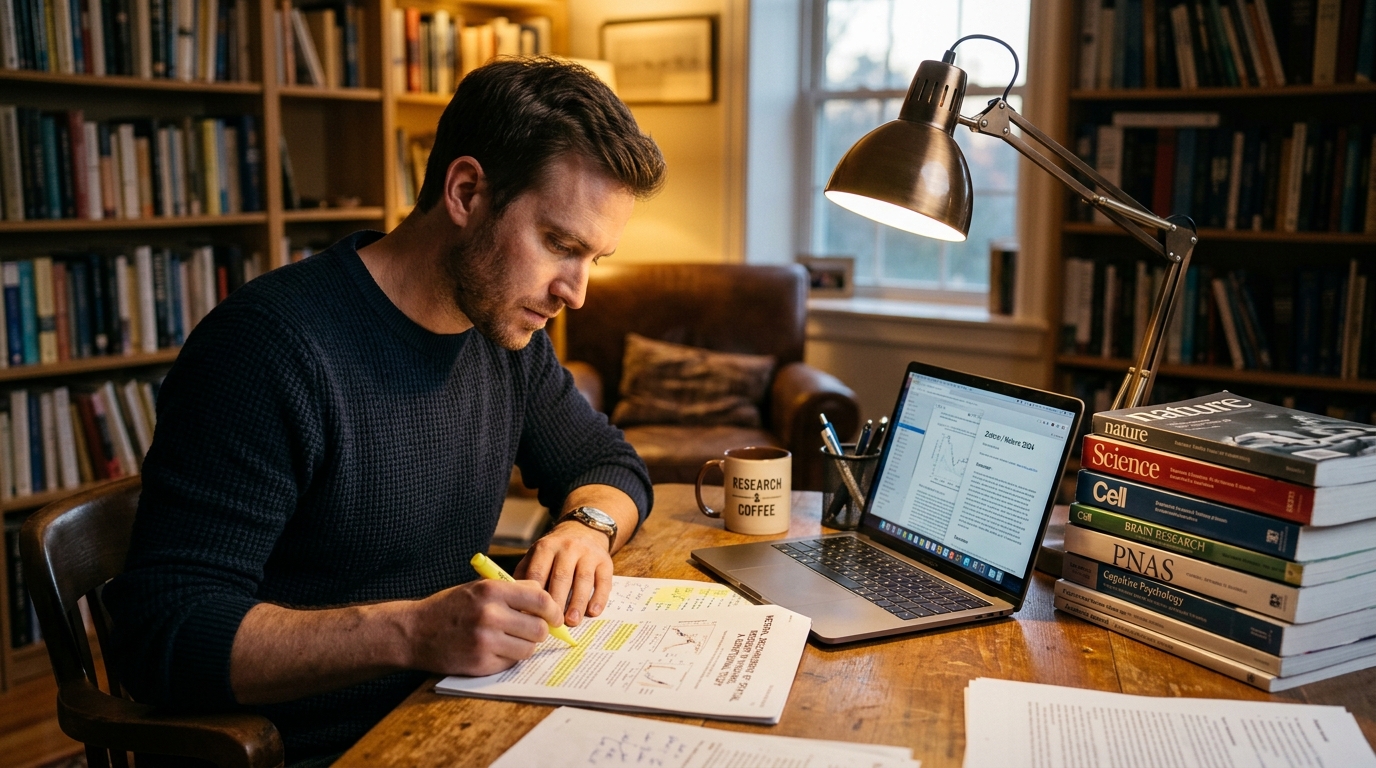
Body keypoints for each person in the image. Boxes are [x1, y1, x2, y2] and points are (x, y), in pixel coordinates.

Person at [104, 58, 667, 765]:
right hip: (318, 748)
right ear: (466, 192)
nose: (575, 292)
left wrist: (588, 527)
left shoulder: (504, 333)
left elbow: (606, 464)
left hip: (460, 717)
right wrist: (411, 633)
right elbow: (164, 633)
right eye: (559, 244)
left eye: (595, 257)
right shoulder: (268, 348)